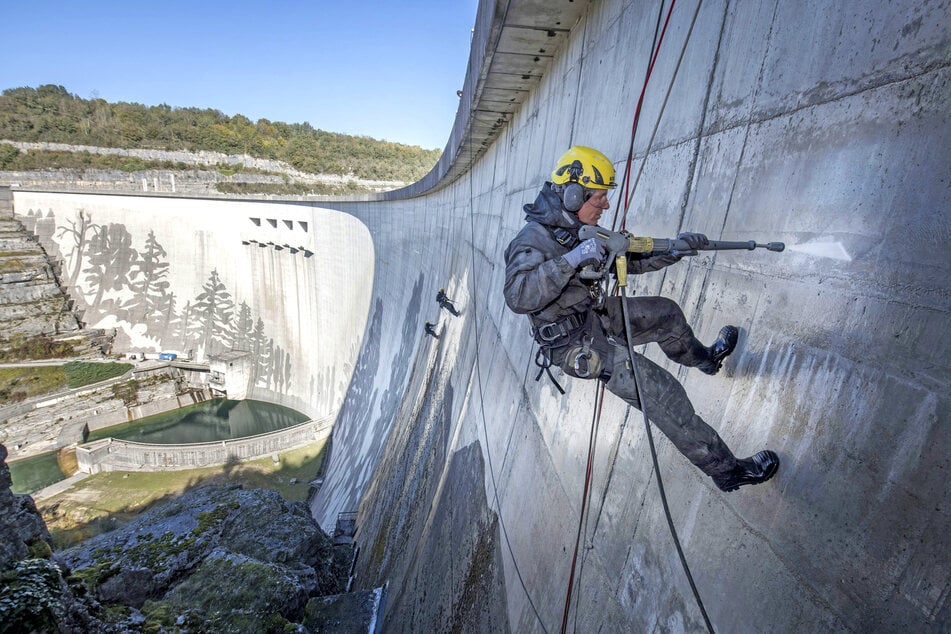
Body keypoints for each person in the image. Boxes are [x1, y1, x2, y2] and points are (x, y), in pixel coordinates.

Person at [503, 146, 779, 492]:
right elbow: (518, 295)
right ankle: (727, 471)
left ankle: (706, 359)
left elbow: (628, 258)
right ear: (573, 194)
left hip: (593, 315)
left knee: (666, 315)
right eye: (600, 197)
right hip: (577, 343)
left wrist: (675, 249)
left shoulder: (581, 227)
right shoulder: (533, 240)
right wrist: (570, 261)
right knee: (663, 394)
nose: (605, 205)